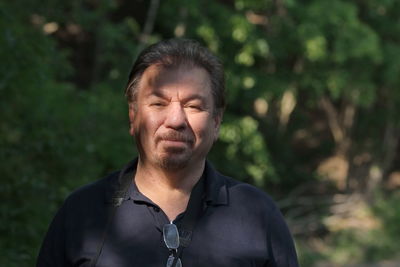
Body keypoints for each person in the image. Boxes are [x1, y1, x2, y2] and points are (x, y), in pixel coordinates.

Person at [37, 38, 299, 267]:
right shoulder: (83, 213)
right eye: (158, 103)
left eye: (193, 106)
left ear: (216, 122)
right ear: (133, 116)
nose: (175, 119)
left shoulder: (257, 214)